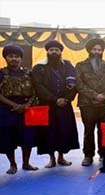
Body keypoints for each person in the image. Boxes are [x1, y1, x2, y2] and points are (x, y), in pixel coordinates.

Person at [32, 40, 79, 169]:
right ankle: (51, 158)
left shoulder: (68, 66)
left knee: (63, 131)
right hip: (47, 106)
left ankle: (61, 157)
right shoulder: (39, 67)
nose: (54, 52)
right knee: (49, 133)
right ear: (47, 51)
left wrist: (66, 99)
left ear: (60, 52)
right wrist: (54, 99)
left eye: (56, 50)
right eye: (51, 50)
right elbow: (38, 86)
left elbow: (75, 85)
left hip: (64, 105)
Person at [76, 38, 105, 166]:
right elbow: (79, 84)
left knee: (103, 130)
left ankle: (103, 153)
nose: (97, 52)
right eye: (94, 49)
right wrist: (95, 95)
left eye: (99, 50)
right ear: (89, 50)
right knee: (88, 130)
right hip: (87, 104)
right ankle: (88, 156)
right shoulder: (80, 65)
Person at [0, 44, 39, 174]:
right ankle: (12, 164)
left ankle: (26, 163)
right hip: (7, 109)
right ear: (5, 58)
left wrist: (27, 104)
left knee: (27, 137)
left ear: (21, 58)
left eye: (17, 56)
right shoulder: (1, 74)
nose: (14, 59)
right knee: (8, 138)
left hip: (27, 109)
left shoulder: (29, 73)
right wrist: (13, 105)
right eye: (10, 56)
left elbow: (36, 91)